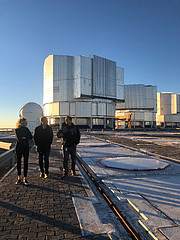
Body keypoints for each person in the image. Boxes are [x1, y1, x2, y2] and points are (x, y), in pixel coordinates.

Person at [15, 118, 32, 185]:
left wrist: (24, 137)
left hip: (26, 148)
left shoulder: (26, 129)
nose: (27, 123)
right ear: (22, 122)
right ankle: (19, 177)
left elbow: (30, 137)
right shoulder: (17, 130)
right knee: (18, 163)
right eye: (25, 122)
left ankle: (25, 177)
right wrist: (24, 137)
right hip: (19, 148)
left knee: (26, 163)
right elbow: (19, 139)